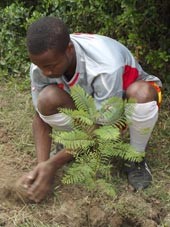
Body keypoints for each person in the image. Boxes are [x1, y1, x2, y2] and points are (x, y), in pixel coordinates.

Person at [18, 16, 162, 203]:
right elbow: (40, 118)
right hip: (91, 106)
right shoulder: (42, 64)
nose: (45, 73)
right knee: (47, 98)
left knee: (142, 93)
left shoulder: (105, 66)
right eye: (40, 66)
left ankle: (135, 158)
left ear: (69, 49)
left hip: (123, 104)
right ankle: (74, 145)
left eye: (51, 66)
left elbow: (103, 131)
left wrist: (54, 164)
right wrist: (42, 167)